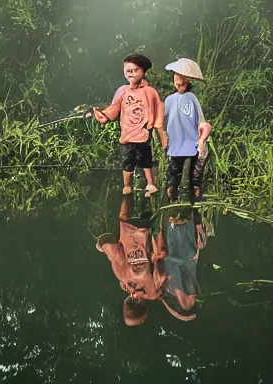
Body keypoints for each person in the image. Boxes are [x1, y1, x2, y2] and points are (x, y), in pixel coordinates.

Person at [88, 53, 167, 197]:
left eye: (135, 70)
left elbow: (158, 108)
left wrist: (159, 128)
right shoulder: (122, 91)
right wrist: (103, 115)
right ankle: (127, 185)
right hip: (127, 134)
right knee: (127, 160)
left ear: (143, 72)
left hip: (143, 132)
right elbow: (114, 108)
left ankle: (150, 184)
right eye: (128, 70)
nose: (131, 73)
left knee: (146, 159)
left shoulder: (150, 92)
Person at [96, 191, 167, 327]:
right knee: (128, 195)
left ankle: (153, 184)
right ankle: (130, 186)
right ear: (125, 303)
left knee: (153, 192)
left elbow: (161, 267)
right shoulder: (122, 276)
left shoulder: (154, 291)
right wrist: (101, 247)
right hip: (129, 225)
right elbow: (110, 245)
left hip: (152, 228)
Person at [163, 58, 212, 200]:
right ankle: (172, 199)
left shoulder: (191, 98)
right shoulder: (169, 99)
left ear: (189, 80)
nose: (179, 82)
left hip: (191, 144)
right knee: (173, 173)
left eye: (183, 79)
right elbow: (161, 118)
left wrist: (202, 141)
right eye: (177, 77)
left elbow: (201, 122)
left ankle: (193, 199)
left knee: (192, 174)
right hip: (175, 145)